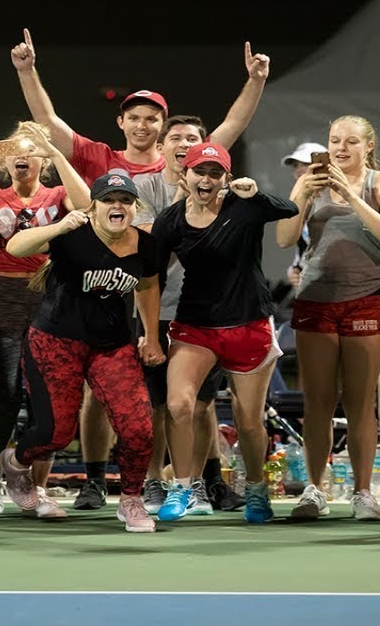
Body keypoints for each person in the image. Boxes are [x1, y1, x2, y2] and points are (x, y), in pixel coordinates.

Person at [10, 27, 270, 509]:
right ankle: (96, 480)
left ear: (165, 126)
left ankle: (203, 480)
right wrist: (27, 70)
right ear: (123, 121)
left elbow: (232, 127)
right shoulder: (103, 162)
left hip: (185, 302)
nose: (144, 126)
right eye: (136, 118)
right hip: (114, 301)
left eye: (153, 118)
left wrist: (254, 82)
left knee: (196, 402)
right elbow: (47, 119)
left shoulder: (190, 165)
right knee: (107, 399)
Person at [0, 173, 164, 534]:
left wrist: (151, 335)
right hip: (57, 340)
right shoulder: (72, 236)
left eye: (125, 200)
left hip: (112, 344)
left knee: (139, 428)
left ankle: (131, 499)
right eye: (109, 200)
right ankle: (14, 462)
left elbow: (149, 285)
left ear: (135, 207)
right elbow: (15, 247)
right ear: (94, 207)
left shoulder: (147, 245)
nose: (117, 206)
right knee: (56, 433)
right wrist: (59, 226)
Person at [0, 122, 91, 518]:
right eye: (14, 150)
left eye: (32, 150)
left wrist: (57, 152)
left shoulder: (58, 193)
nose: (22, 156)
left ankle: (38, 486)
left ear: (42, 159)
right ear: (5, 161)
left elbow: (86, 206)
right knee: (4, 400)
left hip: (48, 299)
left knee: (45, 402)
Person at [151, 143, 300, 523]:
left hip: (249, 323)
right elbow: (149, 276)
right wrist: (149, 333)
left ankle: (255, 491)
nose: (206, 179)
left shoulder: (244, 206)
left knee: (248, 420)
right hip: (195, 326)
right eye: (199, 172)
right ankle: (182, 488)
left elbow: (289, 209)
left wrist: (255, 192)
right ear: (184, 176)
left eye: (215, 174)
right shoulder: (170, 221)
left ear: (226, 179)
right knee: (179, 405)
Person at [275, 116, 380, 522]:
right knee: (318, 401)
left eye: (351, 141)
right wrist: (301, 193)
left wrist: (350, 195)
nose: (341, 148)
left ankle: (363, 493)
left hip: (367, 299)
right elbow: (284, 238)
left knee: (362, 403)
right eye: (334, 141)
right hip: (316, 299)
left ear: (369, 146)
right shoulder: (311, 181)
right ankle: (314, 489)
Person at [132, 116, 239, 515]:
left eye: (192, 138)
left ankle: (200, 482)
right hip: (156, 312)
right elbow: (152, 248)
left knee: (199, 406)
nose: (182, 143)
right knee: (156, 404)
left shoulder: (220, 193)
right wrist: (188, 198)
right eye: (175, 137)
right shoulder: (144, 188)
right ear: (162, 148)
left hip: (204, 314)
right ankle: (153, 482)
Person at [279, 142, 329, 289]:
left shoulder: (344, 199)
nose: (299, 170)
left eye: (306, 164)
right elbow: (301, 247)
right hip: (313, 293)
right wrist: (295, 269)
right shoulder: (301, 202)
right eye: (295, 165)